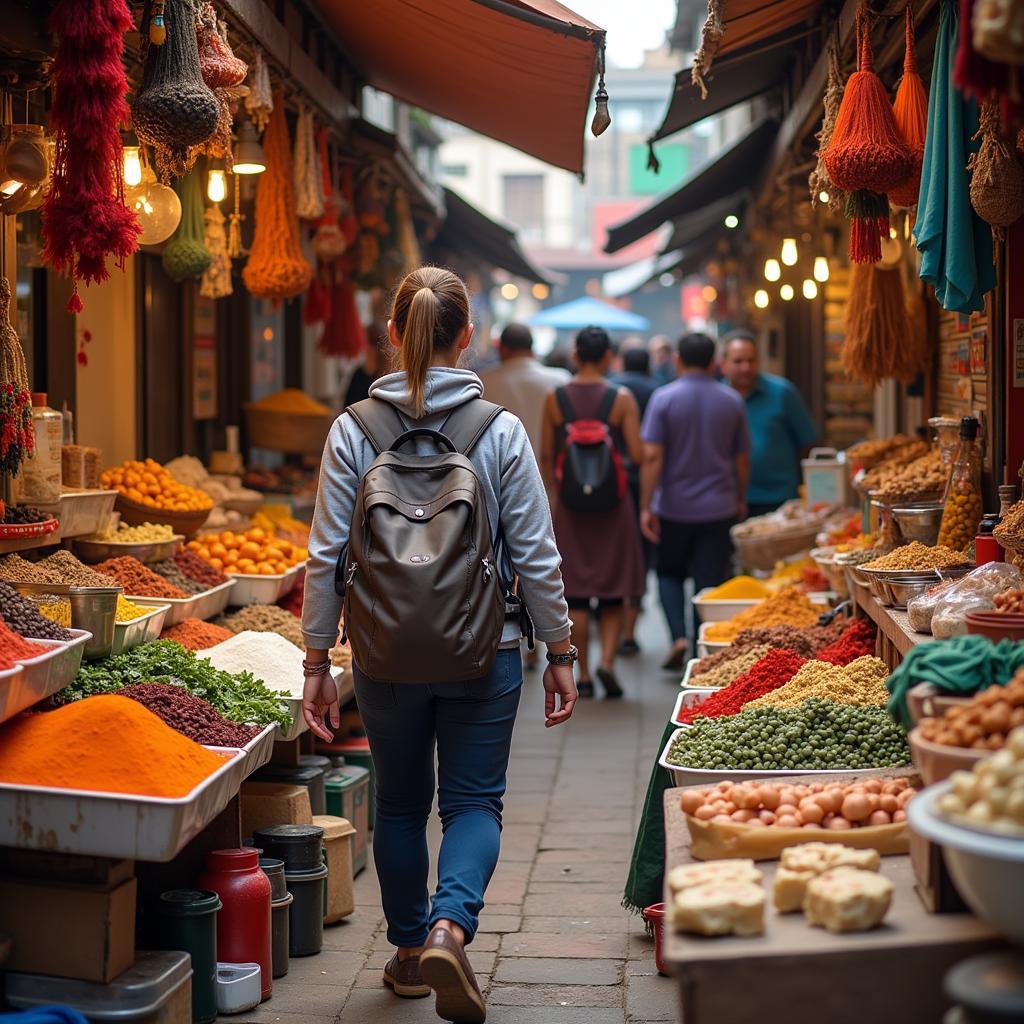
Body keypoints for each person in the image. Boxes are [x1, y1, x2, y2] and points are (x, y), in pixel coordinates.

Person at [301, 267, 577, 1024]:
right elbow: (538, 554)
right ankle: (450, 930)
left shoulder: (353, 428)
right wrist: (560, 651)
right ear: (468, 337)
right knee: (472, 803)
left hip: (384, 654)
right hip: (484, 649)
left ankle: (405, 951)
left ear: (393, 333)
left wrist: (317, 661)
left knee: (397, 805)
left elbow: (326, 554)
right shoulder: (500, 430)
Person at [541, 325, 646, 699]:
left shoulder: (556, 398)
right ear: (607, 357)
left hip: (570, 508)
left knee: (578, 594)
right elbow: (636, 454)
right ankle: (607, 663)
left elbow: (547, 457)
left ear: (575, 356)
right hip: (613, 507)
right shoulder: (621, 398)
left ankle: (582, 675)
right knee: (614, 590)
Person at [640, 333, 750, 671]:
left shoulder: (663, 398)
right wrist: (740, 497)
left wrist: (646, 505)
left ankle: (679, 637)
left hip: (673, 507)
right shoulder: (732, 400)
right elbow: (741, 458)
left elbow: (653, 456)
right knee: (708, 581)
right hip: (719, 506)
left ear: (677, 361)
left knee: (669, 574)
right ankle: (705, 648)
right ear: (714, 362)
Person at [720, 330, 818, 518]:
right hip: (729, 500)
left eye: (751, 360)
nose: (745, 368)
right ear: (723, 364)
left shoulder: (783, 393)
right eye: (738, 361)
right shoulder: (716, 398)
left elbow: (807, 443)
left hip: (779, 499)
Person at [610, 342, 660, 655]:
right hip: (640, 479)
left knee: (611, 555)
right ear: (647, 366)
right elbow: (648, 451)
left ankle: (608, 629)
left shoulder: (611, 389)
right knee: (638, 558)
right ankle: (628, 630)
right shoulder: (657, 391)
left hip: (607, 483)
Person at [478, 323, 571, 466]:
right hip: (551, 475)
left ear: (502, 349)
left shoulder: (483, 382)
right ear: (531, 348)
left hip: (500, 475)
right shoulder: (561, 380)